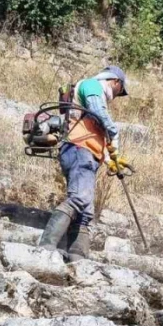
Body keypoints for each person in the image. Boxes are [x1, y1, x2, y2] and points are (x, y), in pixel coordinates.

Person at [37, 65, 131, 261]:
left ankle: (77, 257)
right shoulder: (92, 86)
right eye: (119, 90)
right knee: (79, 198)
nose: (117, 95)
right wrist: (114, 131)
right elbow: (98, 111)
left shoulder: (96, 99)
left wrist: (110, 160)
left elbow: (96, 132)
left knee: (85, 211)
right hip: (79, 149)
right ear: (115, 82)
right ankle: (45, 247)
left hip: (86, 153)